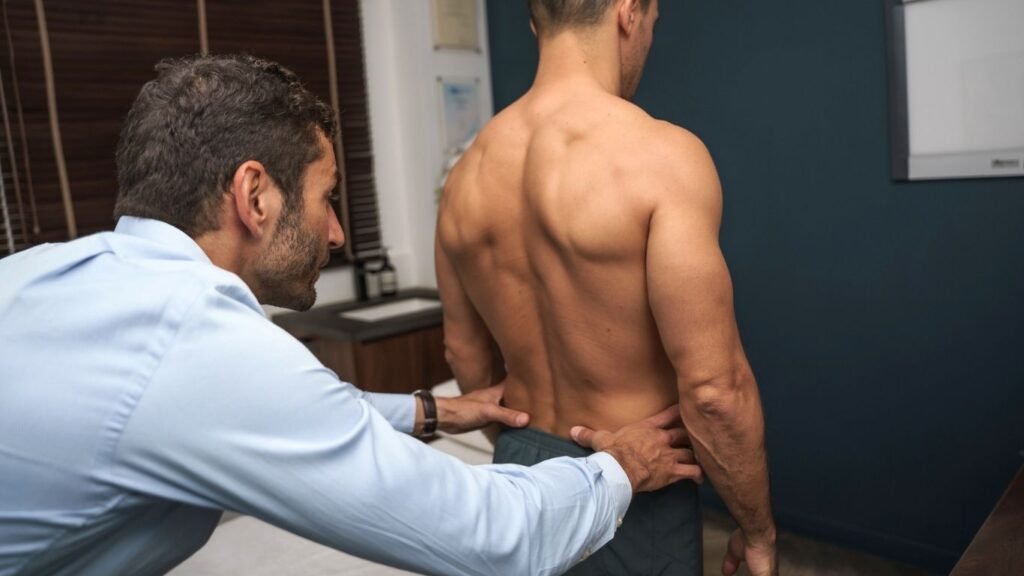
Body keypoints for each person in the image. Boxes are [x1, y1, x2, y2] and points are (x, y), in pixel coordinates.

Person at [0, 54, 703, 576]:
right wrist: (616, 467)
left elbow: (278, 410)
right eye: (326, 197)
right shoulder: (191, 342)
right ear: (256, 196)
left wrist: (430, 412)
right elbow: (497, 538)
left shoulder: (41, 273)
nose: (337, 233)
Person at [435, 1, 777, 575]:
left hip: (519, 472)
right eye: (652, 21)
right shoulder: (662, 157)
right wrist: (758, 531)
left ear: (534, 23)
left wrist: (529, 450)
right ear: (627, 11)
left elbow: (463, 353)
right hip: (633, 472)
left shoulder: (464, 178)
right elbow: (714, 391)